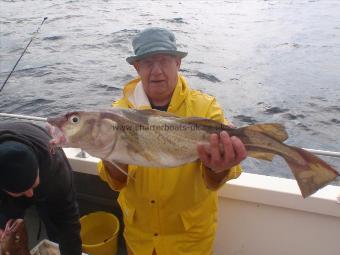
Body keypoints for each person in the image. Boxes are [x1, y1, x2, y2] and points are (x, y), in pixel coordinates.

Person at [97, 27, 247, 255]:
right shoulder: (118, 114)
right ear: (137, 68)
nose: (156, 71)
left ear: (178, 63)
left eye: (164, 61)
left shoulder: (205, 108)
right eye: (147, 63)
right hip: (140, 239)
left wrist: (219, 167)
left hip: (189, 241)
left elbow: (218, 178)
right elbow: (116, 182)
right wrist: (110, 157)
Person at [0, 121, 82, 255]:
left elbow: (68, 222)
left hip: (47, 177)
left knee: (54, 222)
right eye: (21, 192)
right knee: (6, 219)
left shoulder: (57, 171)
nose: (30, 194)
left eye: (33, 185)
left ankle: (53, 241)